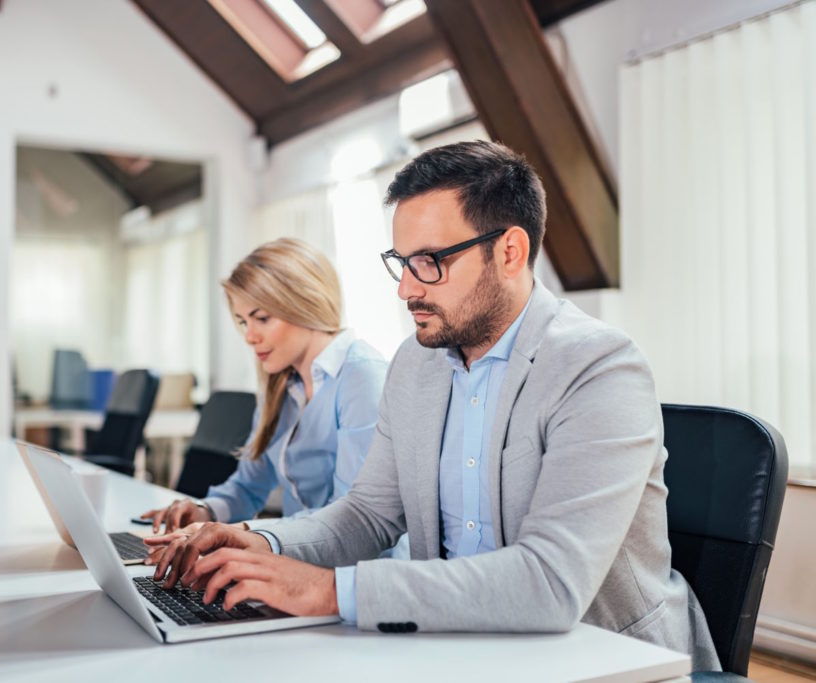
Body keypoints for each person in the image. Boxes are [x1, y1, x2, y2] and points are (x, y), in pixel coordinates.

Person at [147, 141, 720, 670]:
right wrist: (262, 542)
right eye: (400, 262)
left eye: (430, 261)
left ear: (510, 252)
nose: (406, 289)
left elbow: (550, 583)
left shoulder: (599, 368)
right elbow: (368, 514)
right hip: (458, 644)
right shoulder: (416, 364)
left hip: (603, 659)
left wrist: (323, 589)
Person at [140, 238, 388, 537]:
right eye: (243, 322)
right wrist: (205, 511)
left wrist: (244, 532)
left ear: (305, 305)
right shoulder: (282, 386)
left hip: (355, 574)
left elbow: (352, 517)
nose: (250, 336)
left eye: (262, 319)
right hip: (300, 562)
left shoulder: (362, 377)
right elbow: (248, 486)